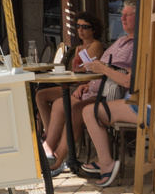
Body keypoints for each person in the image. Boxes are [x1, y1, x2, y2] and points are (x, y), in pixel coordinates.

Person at [78, 0, 138, 186]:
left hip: (143, 106)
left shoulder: (141, 45)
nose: (123, 18)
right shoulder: (122, 40)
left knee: (88, 111)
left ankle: (106, 163)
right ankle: (102, 161)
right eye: (122, 14)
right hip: (132, 100)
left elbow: (129, 81)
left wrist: (103, 69)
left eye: (128, 14)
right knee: (85, 109)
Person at [37, 10, 105, 173]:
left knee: (62, 104)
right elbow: (77, 69)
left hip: (85, 86)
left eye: (85, 27)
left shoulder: (95, 45)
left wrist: (78, 71)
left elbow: (87, 70)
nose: (81, 30)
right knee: (41, 95)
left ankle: (52, 146)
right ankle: (50, 133)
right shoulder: (78, 47)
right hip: (75, 84)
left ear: (93, 29)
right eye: (78, 26)